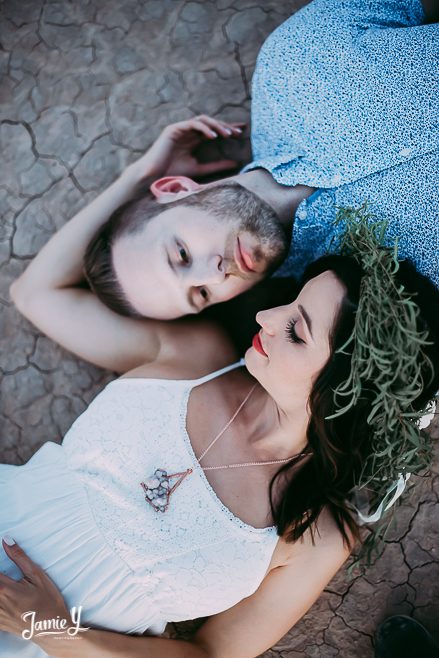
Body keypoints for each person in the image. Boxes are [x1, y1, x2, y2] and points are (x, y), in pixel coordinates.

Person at [2, 208, 439, 656]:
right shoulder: (196, 356)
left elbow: (209, 654)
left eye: (295, 330)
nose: (267, 316)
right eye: (289, 301)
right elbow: (36, 293)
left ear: (345, 394)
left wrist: (48, 629)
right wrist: (145, 172)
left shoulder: (313, 538)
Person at [69, 0, 437, 320]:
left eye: (181, 254)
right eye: (201, 296)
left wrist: (140, 174)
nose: (215, 277)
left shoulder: (293, 64)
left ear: (176, 187)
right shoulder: (375, 289)